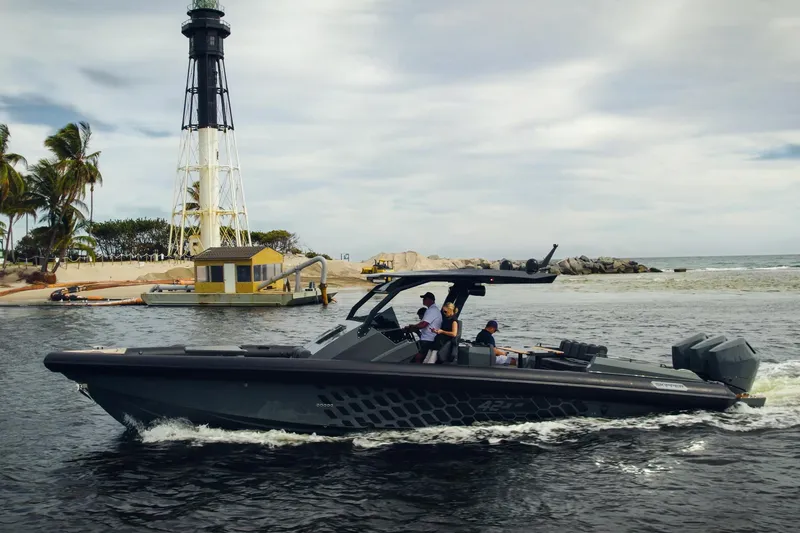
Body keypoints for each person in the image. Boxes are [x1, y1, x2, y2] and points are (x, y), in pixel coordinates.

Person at [404, 292, 442, 362]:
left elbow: (423, 324)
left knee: (418, 357)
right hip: (428, 338)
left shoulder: (432, 310)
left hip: (428, 339)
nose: (423, 300)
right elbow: (423, 324)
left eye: (425, 299)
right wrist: (414, 327)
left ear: (430, 300)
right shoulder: (433, 310)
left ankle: (416, 368)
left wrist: (413, 326)